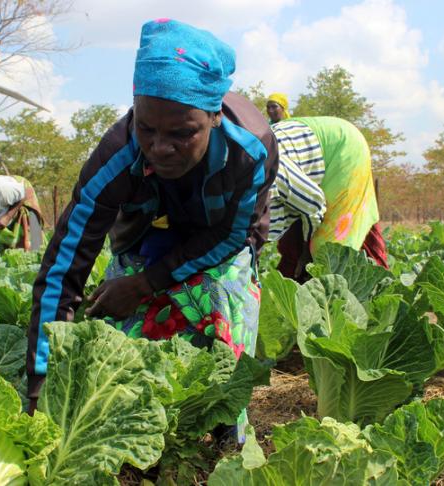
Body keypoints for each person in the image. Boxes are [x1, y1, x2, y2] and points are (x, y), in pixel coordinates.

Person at [26, 19, 278, 423]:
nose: (160, 148)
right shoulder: (116, 156)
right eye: (146, 128)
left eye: (182, 133)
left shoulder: (251, 148)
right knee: (121, 350)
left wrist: (145, 284)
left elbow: (232, 233)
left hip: (219, 241)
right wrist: (41, 385)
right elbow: (64, 268)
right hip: (147, 232)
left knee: (219, 323)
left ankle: (219, 434)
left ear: (213, 117)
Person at [267, 116, 388, 281]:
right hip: (305, 157)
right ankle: (297, 285)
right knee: (293, 240)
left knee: (329, 248)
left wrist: (305, 252)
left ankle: (365, 288)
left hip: (342, 148)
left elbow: (314, 205)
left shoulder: (268, 171)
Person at [0, 175, 44, 251]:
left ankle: (33, 253)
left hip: (22, 189)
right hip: (4, 200)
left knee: (30, 230)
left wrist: (7, 217)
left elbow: (25, 193)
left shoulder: (2, 192)